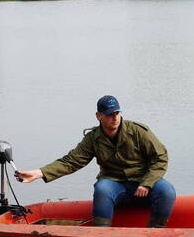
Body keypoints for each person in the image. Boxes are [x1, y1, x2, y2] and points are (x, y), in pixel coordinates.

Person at [16, 95, 177, 227]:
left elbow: (160, 157)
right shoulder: (93, 138)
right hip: (114, 183)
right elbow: (71, 161)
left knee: (167, 191)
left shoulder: (138, 131)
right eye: (109, 114)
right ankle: (101, 235)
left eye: (117, 113)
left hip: (142, 181)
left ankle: (155, 232)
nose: (115, 117)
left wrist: (147, 183)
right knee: (102, 189)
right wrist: (39, 173)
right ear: (99, 116)